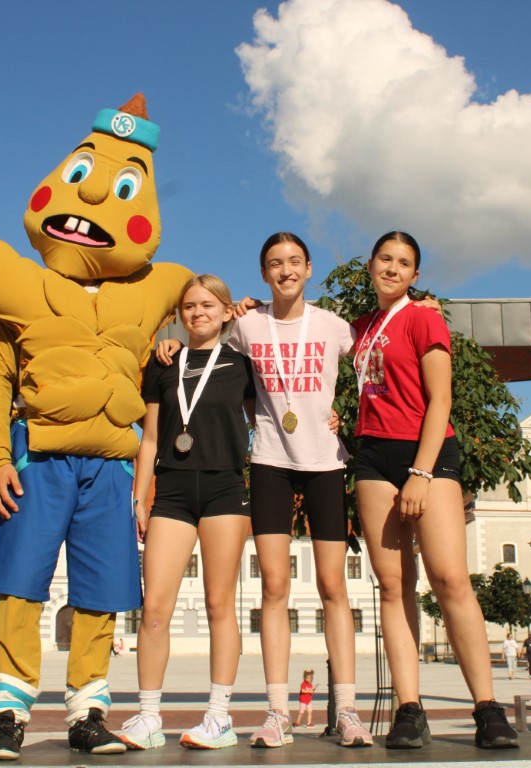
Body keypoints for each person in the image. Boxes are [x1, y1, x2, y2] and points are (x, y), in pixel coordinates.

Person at [0, 95, 193, 761]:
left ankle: (88, 711)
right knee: (20, 582)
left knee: (103, 590)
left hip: (109, 464)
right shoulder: (16, 291)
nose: (96, 200)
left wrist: (212, 321)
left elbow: (198, 312)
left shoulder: (147, 294)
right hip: (39, 457)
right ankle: (8, 715)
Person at [156, 232, 375, 749]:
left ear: (309, 268)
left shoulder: (333, 325)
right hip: (271, 462)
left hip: (325, 463)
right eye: (275, 263)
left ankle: (347, 710)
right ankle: (278, 712)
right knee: (273, 588)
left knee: (333, 587)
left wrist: (420, 303)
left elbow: (377, 354)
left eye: (294, 261)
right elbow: (202, 343)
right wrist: (168, 340)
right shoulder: (246, 325)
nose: (285, 270)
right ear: (263, 273)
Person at [351, 231, 518, 750]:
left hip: (428, 453)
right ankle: (409, 709)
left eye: (403, 263)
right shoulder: (359, 326)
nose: (392, 269)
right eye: (385, 259)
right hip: (372, 456)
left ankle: (487, 708)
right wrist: (245, 308)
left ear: (415, 275)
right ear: (371, 265)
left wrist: (421, 474)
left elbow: (440, 399)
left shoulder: (424, 318)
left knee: (449, 578)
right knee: (392, 585)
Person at [117, 275, 256, 751]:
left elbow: (268, 419)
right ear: (180, 314)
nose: (198, 313)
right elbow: (151, 438)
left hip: (225, 489)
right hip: (172, 492)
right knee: (155, 608)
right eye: (190, 306)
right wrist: (140, 497)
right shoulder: (164, 363)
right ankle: (148, 717)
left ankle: (218, 717)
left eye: (208, 305)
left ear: (226, 311)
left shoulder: (242, 363)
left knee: (220, 604)